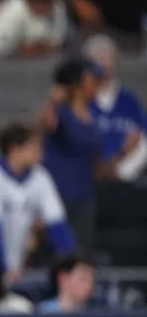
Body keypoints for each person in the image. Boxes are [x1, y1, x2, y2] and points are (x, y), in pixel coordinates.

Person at [0, 122, 75, 284]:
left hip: (13, 270)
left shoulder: (40, 177)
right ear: (14, 149)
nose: (40, 155)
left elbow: (57, 225)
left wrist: (72, 268)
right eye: (33, 148)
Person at [39, 58, 102, 251]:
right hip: (58, 196)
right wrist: (51, 102)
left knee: (81, 251)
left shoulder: (95, 114)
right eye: (92, 79)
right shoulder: (61, 112)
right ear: (79, 83)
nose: (96, 84)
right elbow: (40, 129)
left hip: (84, 197)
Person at [84, 34, 147, 182]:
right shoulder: (82, 100)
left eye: (108, 61)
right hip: (88, 174)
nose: (104, 68)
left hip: (127, 175)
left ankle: (117, 176)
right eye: (98, 62)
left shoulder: (129, 101)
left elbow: (142, 137)